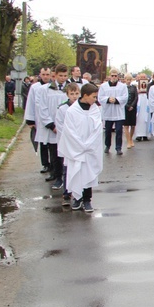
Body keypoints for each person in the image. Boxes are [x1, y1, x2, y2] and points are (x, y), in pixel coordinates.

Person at [60, 83, 103, 213]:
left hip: (90, 149)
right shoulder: (72, 111)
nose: (95, 100)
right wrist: (80, 145)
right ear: (85, 96)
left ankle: (87, 199)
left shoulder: (95, 109)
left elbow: (98, 128)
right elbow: (69, 131)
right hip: (76, 149)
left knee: (88, 172)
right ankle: (76, 198)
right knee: (76, 172)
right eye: (94, 97)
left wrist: (89, 144)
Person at [36, 64, 69, 188]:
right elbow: (42, 108)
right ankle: (57, 176)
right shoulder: (45, 90)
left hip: (66, 128)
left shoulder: (70, 89)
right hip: (53, 128)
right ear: (55, 75)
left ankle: (66, 177)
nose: (63, 78)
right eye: (61, 76)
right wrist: (51, 125)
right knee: (54, 154)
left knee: (65, 154)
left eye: (65, 76)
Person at [56, 83, 81, 206]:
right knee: (67, 168)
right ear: (67, 94)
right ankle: (66, 193)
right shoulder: (62, 108)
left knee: (79, 169)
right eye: (72, 94)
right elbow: (60, 126)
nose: (75, 96)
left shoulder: (82, 108)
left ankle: (78, 193)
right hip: (67, 143)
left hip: (79, 144)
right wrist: (71, 138)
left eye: (76, 93)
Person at [98, 68, 129, 155]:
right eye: (112, 75)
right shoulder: (103, 86)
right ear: (109, 76)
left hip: (118, 111)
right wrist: (108, 99)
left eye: (115, 76)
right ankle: (107, 145)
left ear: (118, 76)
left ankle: (118, 147)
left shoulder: (123, 86)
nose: (114, 77)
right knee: (108, 130)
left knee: (119, 130)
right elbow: (100, 97)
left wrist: (116, 100)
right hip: (108, 111)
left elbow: (125, 97)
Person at [123, 73, 138, 149]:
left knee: (132, 125)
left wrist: (132, 106)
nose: (128, 81)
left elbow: (136, 97)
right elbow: (122, 98)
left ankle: (131, 138)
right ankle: (128, 141)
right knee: (126, 125)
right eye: (127, 79)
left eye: (130, 80)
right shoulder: (122, 88)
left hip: (133, 108)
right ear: (125, 80)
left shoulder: (134, 87)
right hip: (125, 108)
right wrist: (127, 106)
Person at [134, 73, 151, 141]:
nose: (143, 78)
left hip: (146, 101)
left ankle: (146, 135)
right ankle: (139, 134)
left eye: (144, 77)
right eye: (141, 77)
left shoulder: (149, 85)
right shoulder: (135, 85)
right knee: (139, 118)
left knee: (146, 118)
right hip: (139, 101)